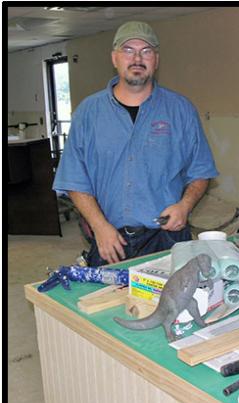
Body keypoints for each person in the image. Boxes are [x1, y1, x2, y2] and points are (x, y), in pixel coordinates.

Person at [53, 21, 218, 266]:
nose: (137, 58)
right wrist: (100, 227)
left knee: (173, 303)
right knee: (109, 304)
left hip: (167, 239)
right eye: (128, 50)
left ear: (156, 59)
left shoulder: (181, 110)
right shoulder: (88, 113)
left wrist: (184, 206)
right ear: (114, 58)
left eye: (146, 51)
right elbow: (74, 179)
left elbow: (201, 171)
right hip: (110, 241)